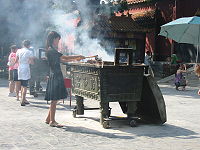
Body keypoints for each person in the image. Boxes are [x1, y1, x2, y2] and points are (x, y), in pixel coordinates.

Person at [45, 31, 85, 127]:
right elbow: (65, 57)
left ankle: (48, 119)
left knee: (55, 98)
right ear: (54, 39)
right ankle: (52, 121)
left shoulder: (51, 50)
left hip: (54, 74)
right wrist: (78, 56)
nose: (58, 41)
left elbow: (63, 60)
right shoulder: (52, 51)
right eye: (58, 39)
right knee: (54, 99)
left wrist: (76, 59)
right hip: (55, 75)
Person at [15, 40, 34, 106]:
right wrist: (30, 62)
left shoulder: (18, 51)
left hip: (20, 68)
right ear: (29, 45)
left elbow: (16, 60)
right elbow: (32, 62)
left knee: (22, 84)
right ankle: (23, 100)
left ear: (23, 44)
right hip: (26, 68)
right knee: (25, 85)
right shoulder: (29, 52)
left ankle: (22, 99)